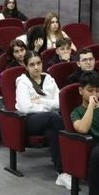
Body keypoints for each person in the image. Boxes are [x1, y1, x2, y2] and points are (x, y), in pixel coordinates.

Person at [15, 51, 67, 188]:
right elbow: (26, 108)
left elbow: (60, 102)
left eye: (38, 63)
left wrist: (41, 102)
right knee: (55, 117)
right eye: (32, 64)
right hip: (29, 121)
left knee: (52, 132)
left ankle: (62, 173)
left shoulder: (49, 79)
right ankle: (67, 168)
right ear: (26, 66)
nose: (36, 67)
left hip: (50, 119)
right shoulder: (23, 83)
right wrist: (49, 105)